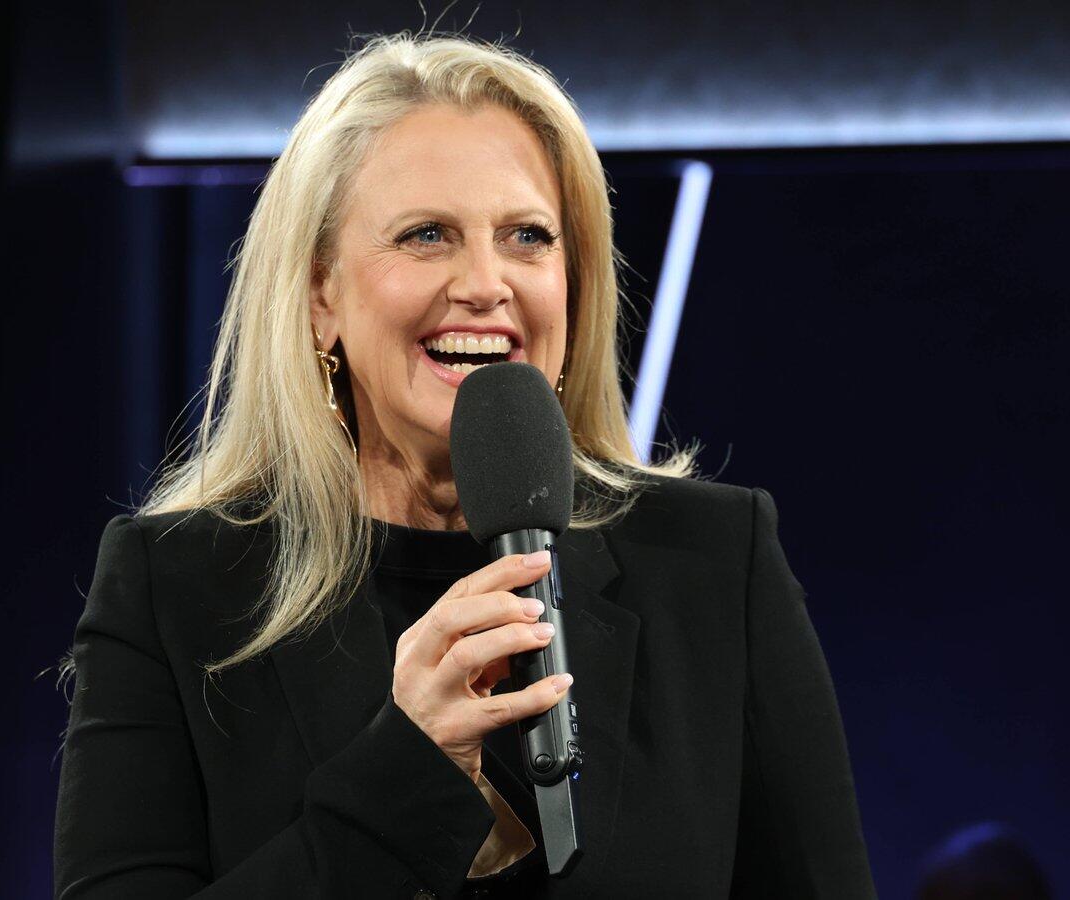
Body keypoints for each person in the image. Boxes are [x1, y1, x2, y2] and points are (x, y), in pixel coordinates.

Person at [52, 30, 875, 899]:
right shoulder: (177, 588)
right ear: (320, 293)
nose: (486, 283)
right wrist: (407, 774)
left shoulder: (713, 561)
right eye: (426, 235)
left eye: (528, 236)